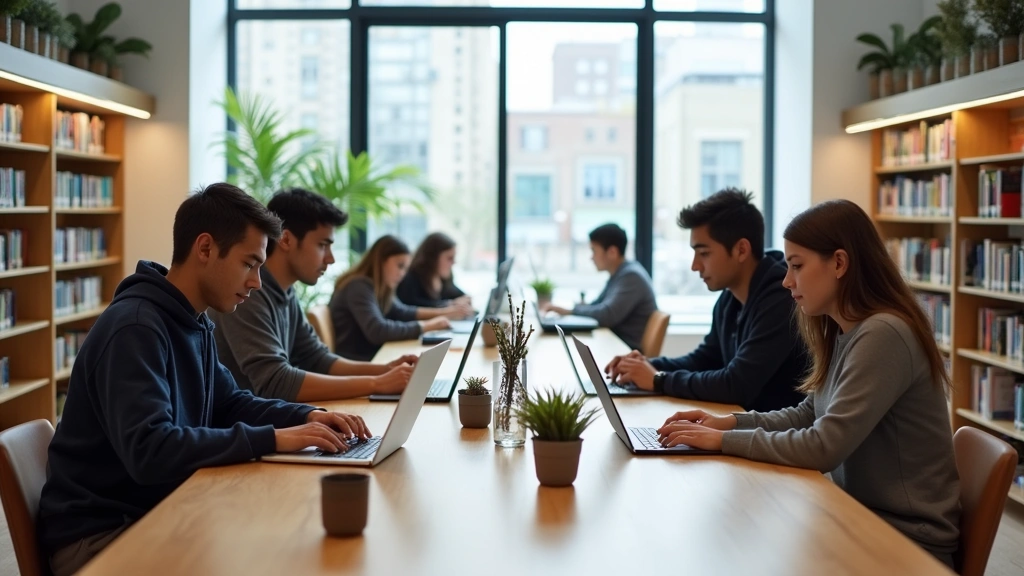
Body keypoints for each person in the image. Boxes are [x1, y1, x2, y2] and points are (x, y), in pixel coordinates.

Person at [37, 183, 372, 576]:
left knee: (281, 542)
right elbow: (150, 450)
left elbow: (229, 403)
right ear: (205, 249)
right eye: (249, 264)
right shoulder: (135, 328)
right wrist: (275, 438)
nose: (256, 282)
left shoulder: (193, 321)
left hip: (154, 509)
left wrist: (307, 416)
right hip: (101, 536)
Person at [657, 199, 961, 568]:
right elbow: (808, 413)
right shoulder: (844, 329)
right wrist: (727, 423)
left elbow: (823, 447)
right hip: (858, 515)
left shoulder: (884, 334)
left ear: (839, 263)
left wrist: (722, 441)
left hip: (906, 540)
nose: (787, 281)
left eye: (797, 266)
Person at [209, 188, 419, 402]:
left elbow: (317, 358)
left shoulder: (285, 290)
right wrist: (377, 383)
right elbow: (276, 382)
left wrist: (384, 370)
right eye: (322, 245)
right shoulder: (247, 293)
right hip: (255, 426)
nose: (330, 259)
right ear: (286, 239)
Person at [605, 189, 806, 411]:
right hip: (741, 425)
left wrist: (658, 380)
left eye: (704, 253)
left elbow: (737, 385)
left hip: (772, 437)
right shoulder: (730, 297)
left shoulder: (781, 298)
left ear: (741, 250)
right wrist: (644, 366)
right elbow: (705, 359)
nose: (694, 266)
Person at [329, 235, 470, 361]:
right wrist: (426, 326)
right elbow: (378, 331)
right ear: (381, 261)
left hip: (374, 356)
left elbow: (403, 312)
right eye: (400, 266)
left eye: (405, 268)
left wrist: (445, 313)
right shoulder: (358, 286)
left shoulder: (379, 288)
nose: (402, 274)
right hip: (360, 362)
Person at [542, 223, 657, 351]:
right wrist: (568, 309)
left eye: (594, 251)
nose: (591, 257)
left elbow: (606, 315)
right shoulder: (619, 274)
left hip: (623, 350)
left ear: (612, 252)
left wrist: (570, 310)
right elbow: (597, 305)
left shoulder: (631, 276)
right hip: (614, 344)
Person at [397, 232, 473, 311]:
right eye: (449, 258)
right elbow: (411, 307)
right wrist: (449, 305)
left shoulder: (443, 278)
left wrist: (464, 301)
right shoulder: (410, 278)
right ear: (433, 258)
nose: (454, 262)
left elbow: (459, 295)